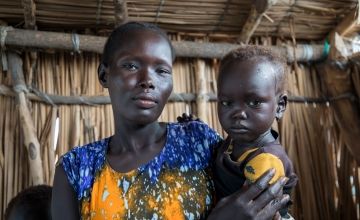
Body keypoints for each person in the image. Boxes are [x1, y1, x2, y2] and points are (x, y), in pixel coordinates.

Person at [51, 22, 290, 220]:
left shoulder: (199, 143)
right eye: (131, 66)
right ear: (105, 75)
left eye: (161, 71)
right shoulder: (76, 169)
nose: (148, 80)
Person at [213, 46, 298, 219]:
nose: (238, 113)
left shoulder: (266, 163)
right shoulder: (237, 142)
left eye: (254, 102)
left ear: (280, 106)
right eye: (226, 103)